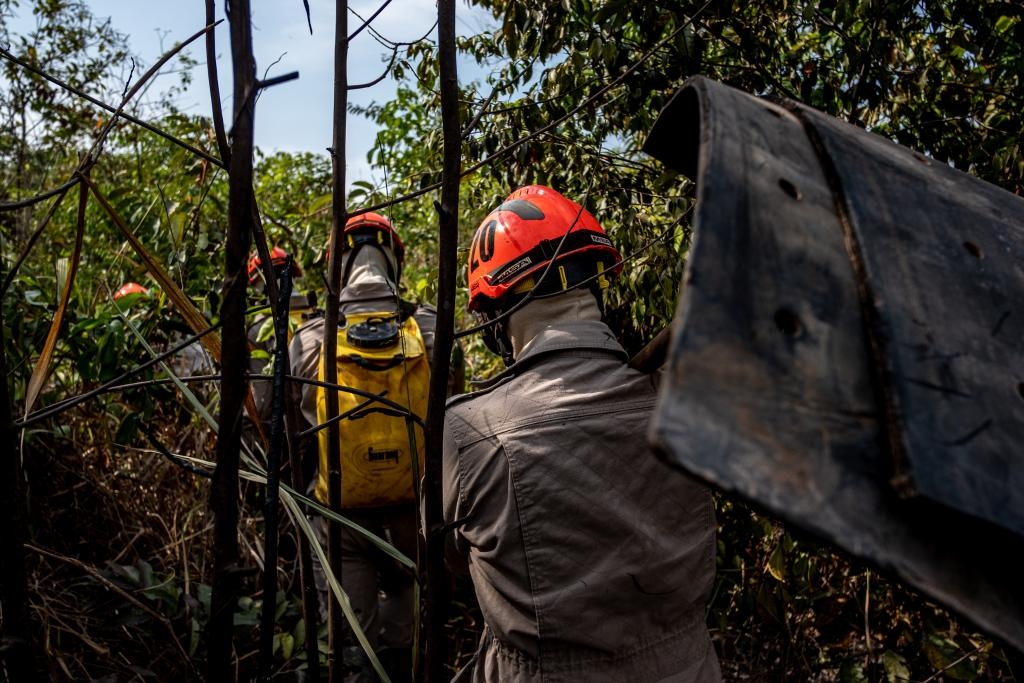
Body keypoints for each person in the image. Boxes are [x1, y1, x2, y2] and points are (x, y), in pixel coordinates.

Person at [443, 185, 721, 682]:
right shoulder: (684, 399)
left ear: (493, 314)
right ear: (597, 284)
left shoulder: (468, 431)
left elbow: (447, 561)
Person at [288, 212, 445, 681]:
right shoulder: (430, 327)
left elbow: (299, 428)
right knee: (407, 628)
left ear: (338, 265)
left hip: (340, 518)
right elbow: (448, 414)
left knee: (351, 645)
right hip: (412, 515)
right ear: (395, 260)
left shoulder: (310, 336)